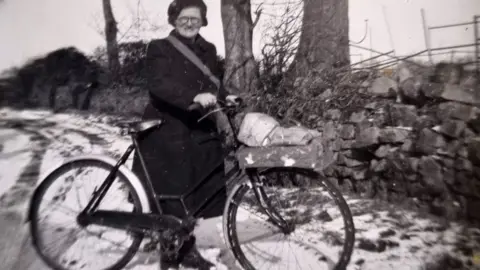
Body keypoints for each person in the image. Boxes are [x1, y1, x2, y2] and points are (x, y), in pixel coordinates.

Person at [131, 0, 236, 269]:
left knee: (198, 192)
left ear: (203, 21)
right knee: (171, 194)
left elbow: (213, 83)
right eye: (184, 18)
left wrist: (226, 97)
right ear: (173, 20)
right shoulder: (159, 48)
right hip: (166, 128)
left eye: (195, 18)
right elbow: (158, 86)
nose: (189, 23)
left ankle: (185, 247)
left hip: (199, 127)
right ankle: (171, 255)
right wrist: (192, 96)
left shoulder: (208, 49)